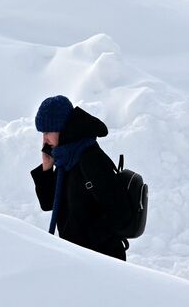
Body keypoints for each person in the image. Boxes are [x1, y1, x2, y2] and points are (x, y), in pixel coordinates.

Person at [30, 95, 128, 260]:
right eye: (42, 133)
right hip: (79, 257)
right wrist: (46, 169)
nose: (44, 139)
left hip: (103, 259)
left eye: (48, 131)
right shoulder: (66, 158)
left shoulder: (90, 158)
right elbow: (48, 204)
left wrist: (86, 243)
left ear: (63, 128)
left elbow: (120, 213)